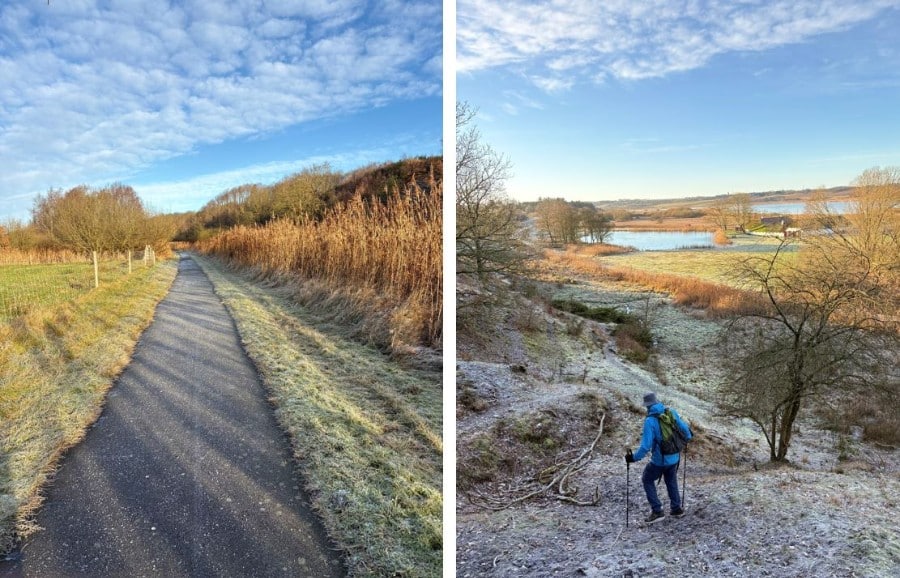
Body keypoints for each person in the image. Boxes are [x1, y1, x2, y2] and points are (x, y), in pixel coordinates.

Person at [625, 392, 693, 523]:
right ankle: (676, 508)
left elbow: (645, 447)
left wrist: (633, 458)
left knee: (647, 479)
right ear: (657, 402)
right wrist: (685, 441)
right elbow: (687, 432)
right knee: (671, 480)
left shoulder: (650, 421)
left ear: (647, 406)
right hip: (674, 457)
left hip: (659, 461)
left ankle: (657, 511)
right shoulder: (671, 412)